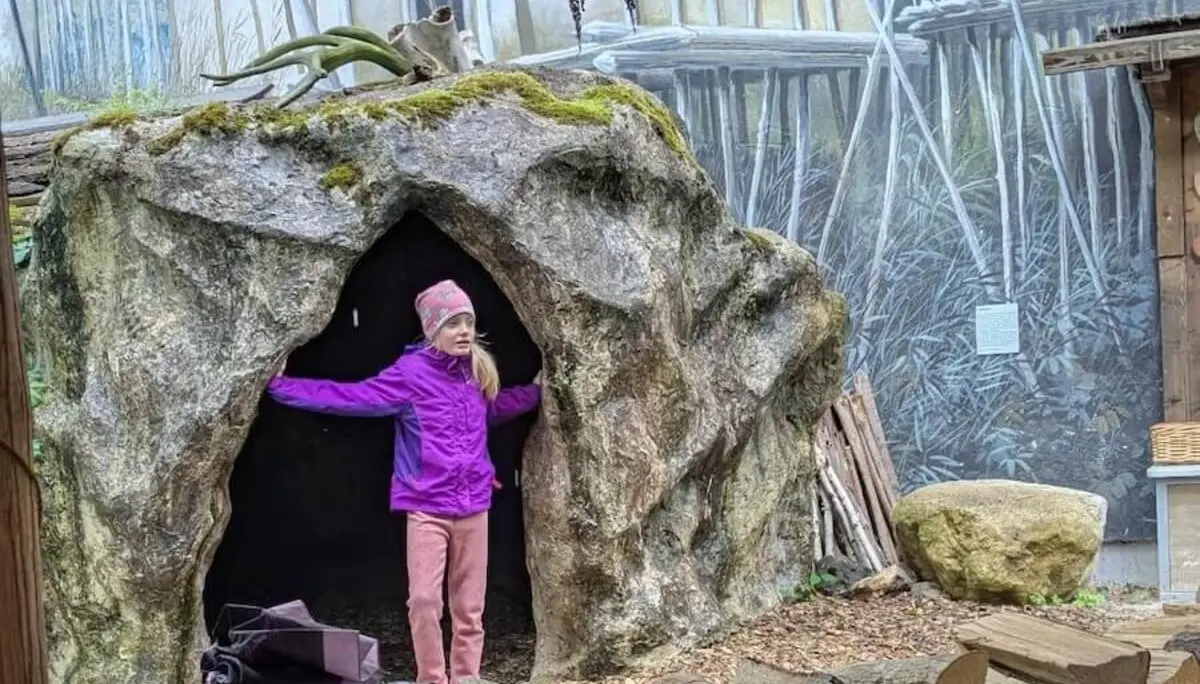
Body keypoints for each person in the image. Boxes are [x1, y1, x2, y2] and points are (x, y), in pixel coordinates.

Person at [264, 279, 542, 684]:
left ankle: (466, 677)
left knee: (470, 606)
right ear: (432, 330)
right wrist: (283, 387)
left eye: (468, 322)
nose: (463, 331)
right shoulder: (410, 375)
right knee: (425, 601)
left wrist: (535, 394)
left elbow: (493, 410)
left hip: (474, 507)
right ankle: (432, 678)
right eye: (452, 324)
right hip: (427, 506)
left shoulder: (476, 373)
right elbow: (350, 398)